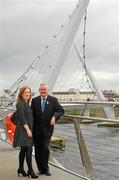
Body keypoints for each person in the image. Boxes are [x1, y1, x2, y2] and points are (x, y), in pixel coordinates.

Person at [31, 83, 64, 176]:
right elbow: (31, 114)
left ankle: (45, 169)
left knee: (45, 148)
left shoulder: (53, 100)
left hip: (47, 129)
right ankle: (40, 169)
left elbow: (60, 110)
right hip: (36, 129)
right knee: (37, 150)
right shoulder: (34, 100)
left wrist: (54, 117)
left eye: (44, 89)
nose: (43, 91)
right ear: (39, 90)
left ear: (47, 90)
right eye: (41, 89)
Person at [13, 86, 38, 179]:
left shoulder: (26, 103)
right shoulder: (20, 104)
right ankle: (30, 171)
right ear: (21, 94)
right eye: (25, 92)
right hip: (25, 130)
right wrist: (27, 129)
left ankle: (20, 168)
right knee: (28, 150)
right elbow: (22, 118)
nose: (27, 94)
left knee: (23, 150)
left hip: (27, 129)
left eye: (29, 92)